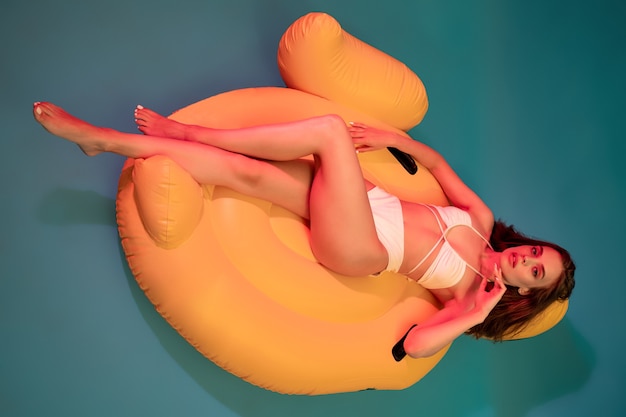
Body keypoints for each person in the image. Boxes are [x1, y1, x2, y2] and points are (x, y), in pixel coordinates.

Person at [32, 101, 575, 359]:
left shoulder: (468, 297)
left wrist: (477, 313)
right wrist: (402, 143)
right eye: (534, 251)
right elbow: (437, 167)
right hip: (368, 201)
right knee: (249, 174)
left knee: (330, 133)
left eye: (534, 270)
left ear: (527, 292)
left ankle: (172, 132)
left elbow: (416, 345)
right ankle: (101, 142)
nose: (525, 258)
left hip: (360, 246)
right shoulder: (480, 223)